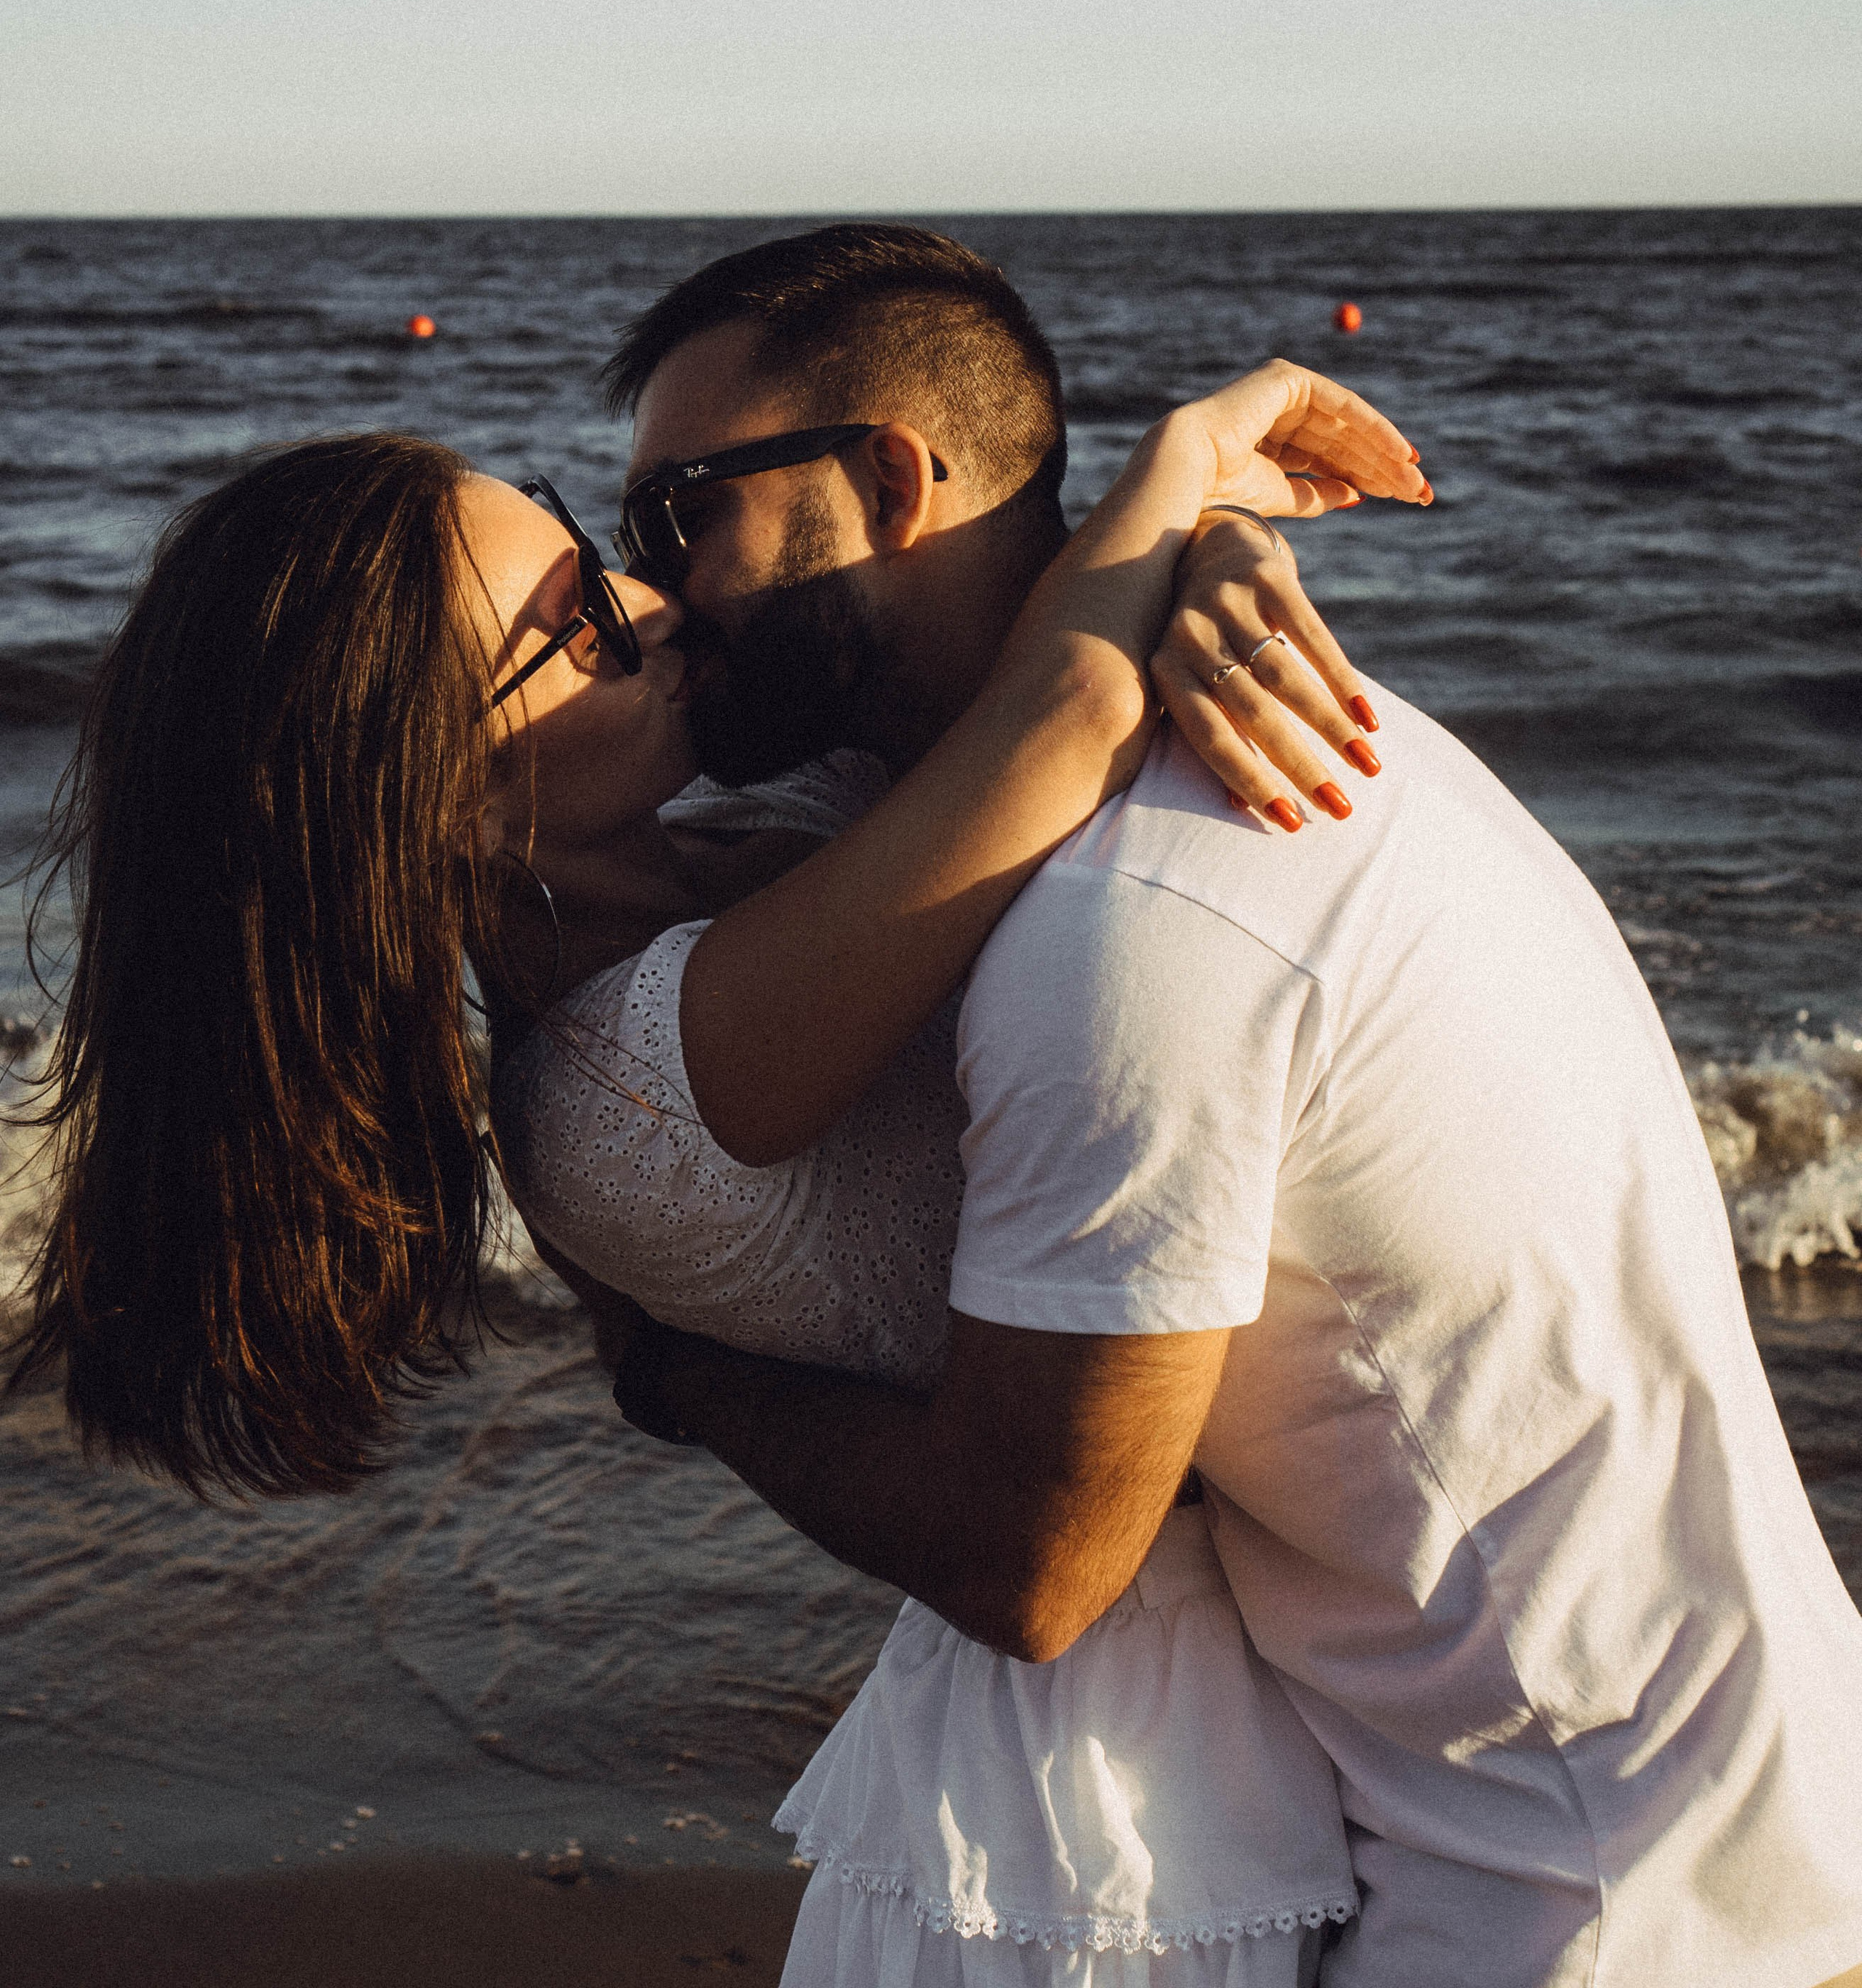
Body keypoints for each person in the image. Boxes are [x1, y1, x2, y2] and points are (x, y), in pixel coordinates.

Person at [8, 354, 1418, 1978]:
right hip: (1115, 1788)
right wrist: (1186, 462)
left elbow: (1007, 653)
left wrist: (1226, 558)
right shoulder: (624, 1081)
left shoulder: (757, 828)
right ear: (441, 808)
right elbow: (1073, 707)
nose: (647, 599)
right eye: (577, 629)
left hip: (1256, 1653)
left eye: (574, 536)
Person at [586, 223, 1862, 1988]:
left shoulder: (1133, 925)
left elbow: (1031, 1558)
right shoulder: (1248, 765)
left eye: (680, 516)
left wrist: (683, 1376)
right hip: (1690, 1817)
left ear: (887, 480)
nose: (649, 595)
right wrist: (1195, 532)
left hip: (1586, 1904)